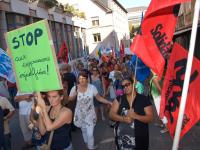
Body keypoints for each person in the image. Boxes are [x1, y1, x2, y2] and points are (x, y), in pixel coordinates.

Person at [68, 70, 112, 150]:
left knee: (90, 133)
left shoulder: (92, 88)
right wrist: (74, 95)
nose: (81, 80)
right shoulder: (75, 88)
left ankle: (90, 147)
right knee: (84, 131)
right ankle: (87, 145)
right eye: (80, 78)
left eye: (83, 78)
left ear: (87, 79)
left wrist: (109, 102)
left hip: (90, 114)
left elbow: (99, 98)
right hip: (79, 114)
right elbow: (69, 99)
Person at [109, 78, 153, 150]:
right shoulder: (119, 99)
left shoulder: (144, 99)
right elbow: (111, 114)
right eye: (123, 86)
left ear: (133, 84)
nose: (125, 87)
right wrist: (123, 119)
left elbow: (150, 118)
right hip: (122, 140)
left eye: (127, 84)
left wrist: (135, 116)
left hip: (140, 139)